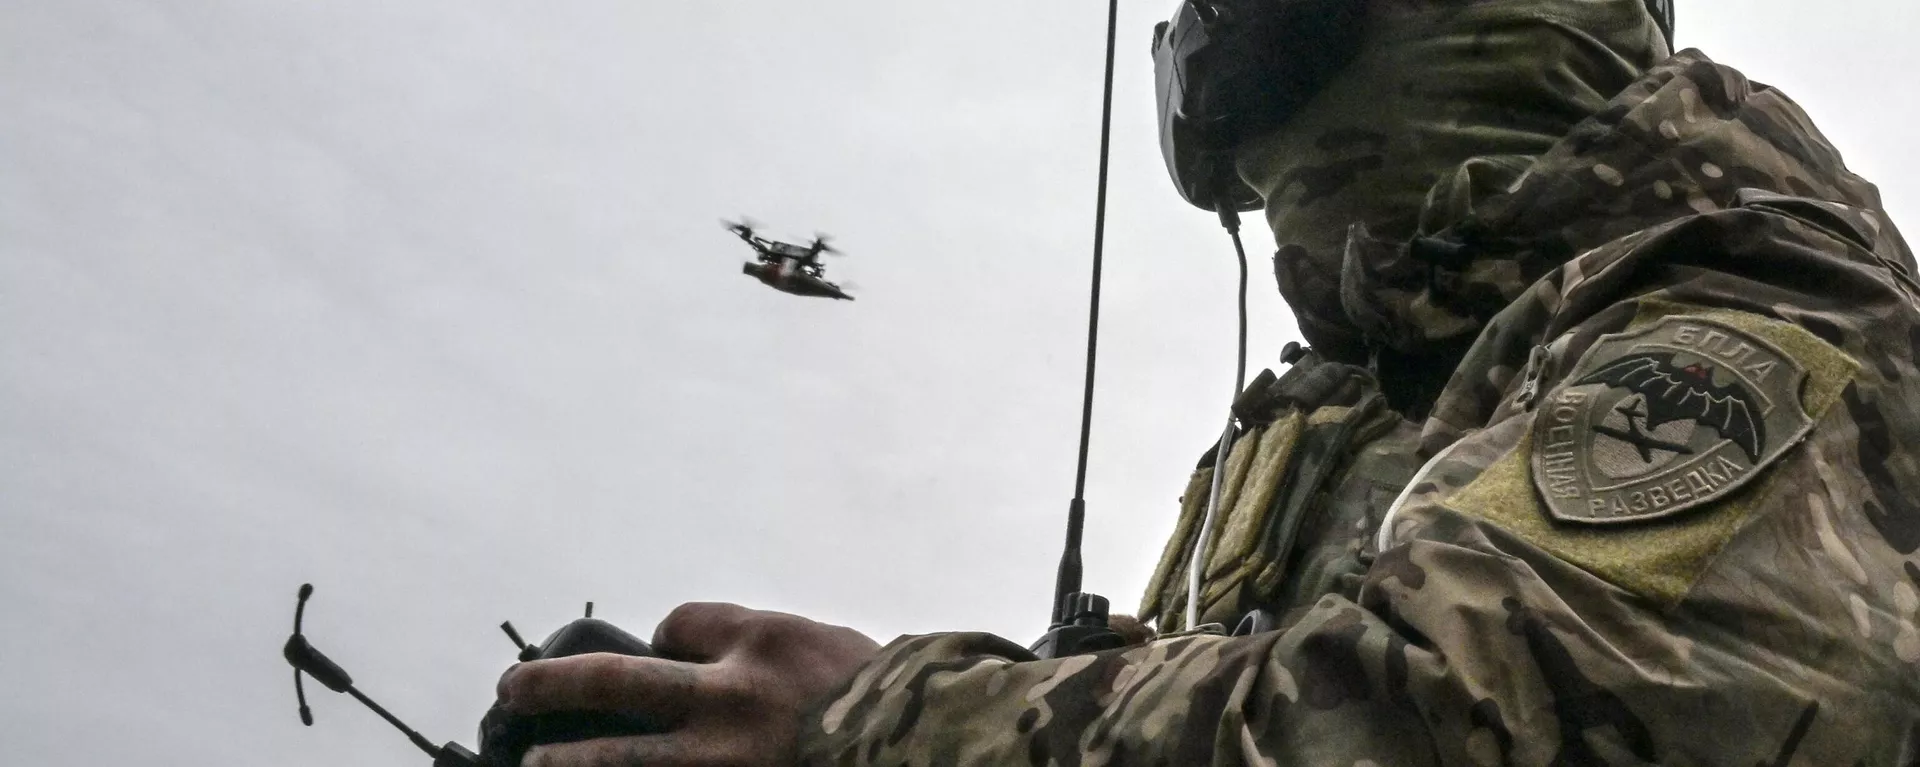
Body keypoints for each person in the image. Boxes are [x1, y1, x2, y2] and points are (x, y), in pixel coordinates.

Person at [496, 0, 1920, 763]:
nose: (1211, 66)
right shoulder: (1351, 411)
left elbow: (1453, 722)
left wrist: (868, 727)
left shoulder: (1749, 315)